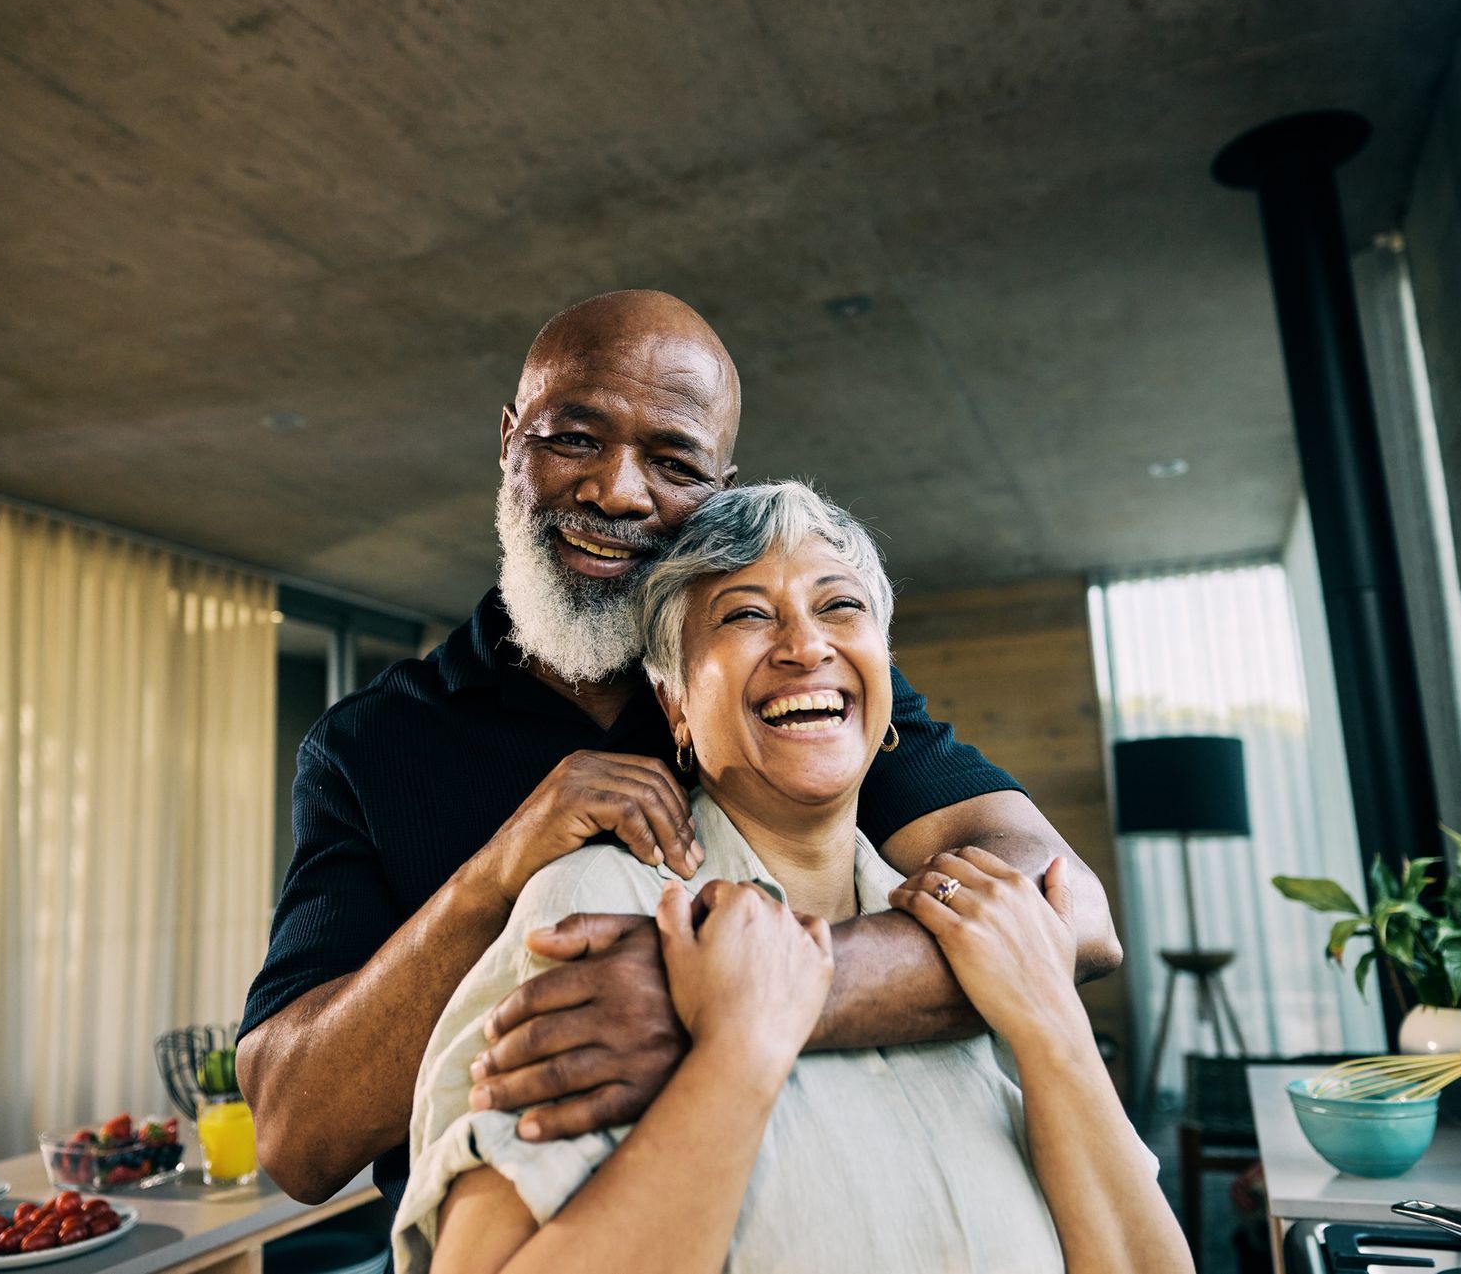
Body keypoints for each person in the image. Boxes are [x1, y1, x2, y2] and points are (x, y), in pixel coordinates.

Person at [237, 290, 1123, 1210]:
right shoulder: (369, 743)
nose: (618, 491)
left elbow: (1069, 913)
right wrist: (493, 875)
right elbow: (295, 1138)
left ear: (720, 486)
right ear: (510, 443)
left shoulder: (785, 690)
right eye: (574, 439)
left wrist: (716, 1001)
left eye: (672, 460)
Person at [392, 482, 1188, 1273]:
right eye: (745, 613)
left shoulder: (975, 928)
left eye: (840, 607)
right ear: (673, 703)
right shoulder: (595, 909)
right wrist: (739, 1046)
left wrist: (1051, 1021)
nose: (806, 646)